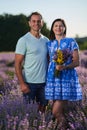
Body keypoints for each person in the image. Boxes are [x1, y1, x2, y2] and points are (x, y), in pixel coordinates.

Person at [45, 18, 82, 129]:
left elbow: (77, 62)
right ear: (52, 28)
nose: (58, 28)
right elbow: (47, 61)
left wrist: (65, 66)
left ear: (64, 28)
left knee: (56, 111)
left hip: (66, 78)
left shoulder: (71, 42)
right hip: (53, 78)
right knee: (58, 111)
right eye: (56, 25)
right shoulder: (49, 44)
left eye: (61, 25)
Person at [15, 12, 49, 113]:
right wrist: (22, 84)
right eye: (33, 21)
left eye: (38, 21)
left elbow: (49, 61)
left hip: (44, 83)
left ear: (42, 23)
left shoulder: (46, 40)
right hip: (29, 83)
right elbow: (17, 64)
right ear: (29, 23)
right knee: (28, 112)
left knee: (43, 110)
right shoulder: (23, 40)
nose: (36, 23)